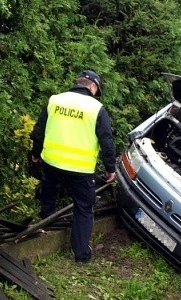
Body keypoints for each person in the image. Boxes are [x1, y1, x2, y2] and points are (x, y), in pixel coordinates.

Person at [30, 70, 116, 264]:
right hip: (80, 168)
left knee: (49, 193)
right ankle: (80, 254)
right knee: (84, 207)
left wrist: (36, 154)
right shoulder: (96, 108)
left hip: (51, 162)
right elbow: (107, 142)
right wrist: (110, 168)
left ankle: (46, 229)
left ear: (78, 82)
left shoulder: (55, 100)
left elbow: (38, 131)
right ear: (93, 87)